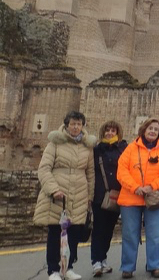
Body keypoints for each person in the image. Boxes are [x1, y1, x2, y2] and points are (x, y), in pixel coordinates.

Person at [34, 111, 97, 280]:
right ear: (67, 125)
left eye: (78, 124)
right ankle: (53, 270)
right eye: (72, 124)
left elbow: (90, 173)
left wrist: (90, 197)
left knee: (74, 233)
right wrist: (53, 189)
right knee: (56, 232)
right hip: (58, 194)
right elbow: (44, 168)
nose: (76, 127)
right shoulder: (55, 143)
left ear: (83, 126)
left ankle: (68, 268)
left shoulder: (87, 147)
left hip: (79, 195)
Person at [116, 118, 159, 279]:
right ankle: (128, 267)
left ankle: (155, 265)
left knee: (156, 233)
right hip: (130, 197)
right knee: (129, 234)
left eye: (156, 129)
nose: (153, 131)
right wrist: (135, 187)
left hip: (154, 198)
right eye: (150, 128)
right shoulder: (130, 149)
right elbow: (122, 171)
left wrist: (152, 186)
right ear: (143, 130)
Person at [91, 120, 126, 277]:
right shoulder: (96, 150)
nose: (110, 133)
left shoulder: (123, 149)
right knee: (99, 228)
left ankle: (103, 258)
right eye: (107, 130)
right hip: (100, 195)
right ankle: (96, 261)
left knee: (109, 229)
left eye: (113, 131)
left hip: (117, 195)